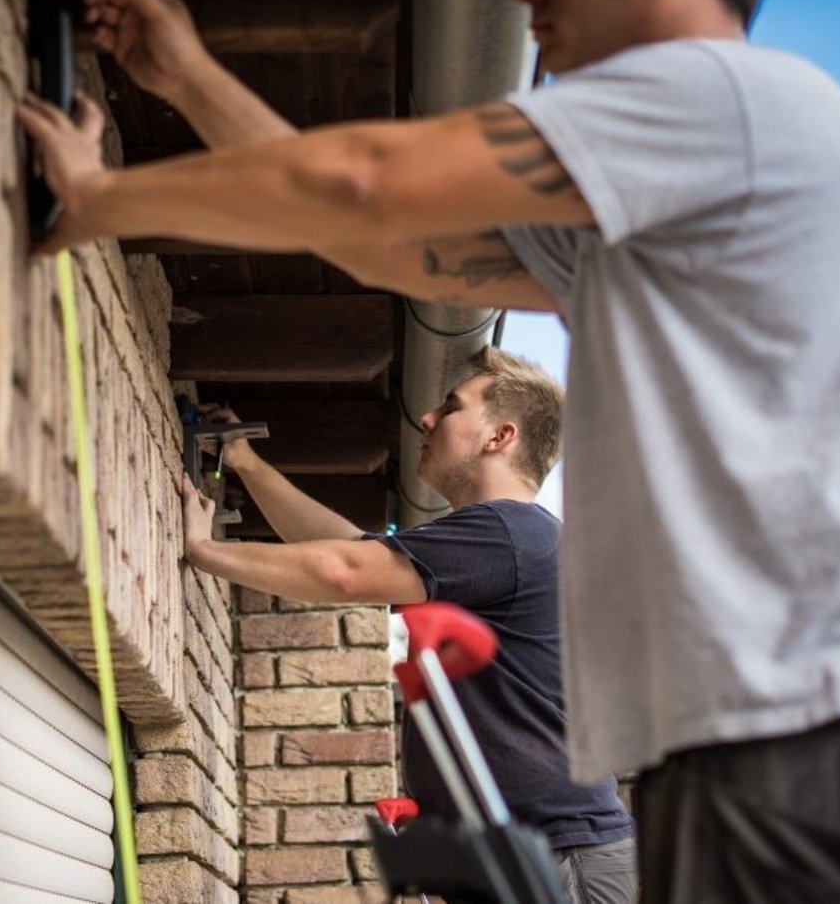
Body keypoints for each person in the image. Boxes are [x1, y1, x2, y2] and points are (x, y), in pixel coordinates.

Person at [19, 0, 840, 901]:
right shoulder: (665, 202)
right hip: (783, 739)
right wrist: (185, 78)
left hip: (812, 734)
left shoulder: (719, 95)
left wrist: (104, 199)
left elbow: (367, 180)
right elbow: (379, 239)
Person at [181, 348, 637, 904]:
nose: (426, 418)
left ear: (499, 436)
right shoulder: (512, 542)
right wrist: (246, 465)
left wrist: (204, 551)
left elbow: (346, 573)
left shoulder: (508, 534)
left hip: (557, 858)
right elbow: (354, 552)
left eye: (451, 406)